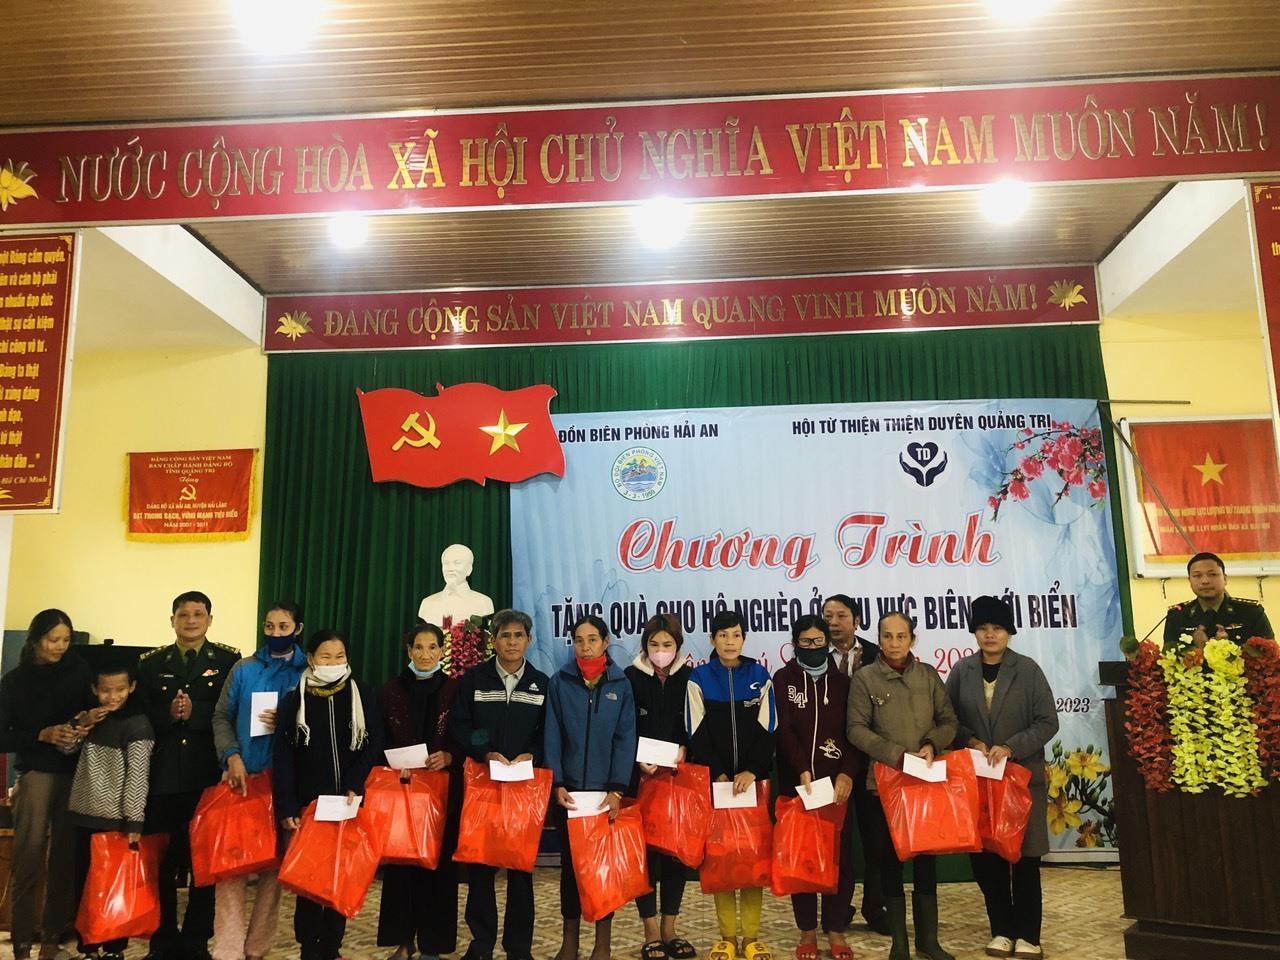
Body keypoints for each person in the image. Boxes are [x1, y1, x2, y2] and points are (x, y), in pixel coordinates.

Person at [945, 596, 1058, 960]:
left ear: (1009, 632)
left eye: (997, 628)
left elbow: (1048, 721)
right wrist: (971, 740)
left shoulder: (1027, 670)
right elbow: (947, 719)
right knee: (987, 860)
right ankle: (1002, 931)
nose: (989, 635)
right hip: (978, 782)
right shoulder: (962, 671)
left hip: (1021, 781)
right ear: (974, 632)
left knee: (1024, 859)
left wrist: (1011, 747)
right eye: (982, 628)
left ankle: (1029, 936)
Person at [846, 611, 959, 960]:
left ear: (912, 639)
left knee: (926, 862)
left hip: (925, 781)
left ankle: (928, 941)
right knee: (890, 861)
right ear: (878, 639)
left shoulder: (928, 675)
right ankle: (900, 944)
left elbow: (950, 721)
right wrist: (896, 755)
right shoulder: (865, 678)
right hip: (884, 784)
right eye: (887, 636)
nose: (894, 643)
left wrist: (932, 744)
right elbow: (855, 729)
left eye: (901, 636)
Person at [136, 590, 240, 960]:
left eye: (198, 614)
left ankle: (197, 940)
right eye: (183, 614)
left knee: (203, 862)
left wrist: (197, 713)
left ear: (210, 619)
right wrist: (168, 714)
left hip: (206, 773)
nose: (191, 621)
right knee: (161, 862)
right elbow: (139, 711)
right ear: (172, 621)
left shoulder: (228, 660)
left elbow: (233, 710)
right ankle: (162, 939)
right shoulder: (150, 663)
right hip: (162, 775)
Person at [273, 629, 383, 960]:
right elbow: (284, 757)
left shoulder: (362, 692)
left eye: (340, 657)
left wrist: (355, 781)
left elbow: (373, 742)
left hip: (348, 803)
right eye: (326, 657)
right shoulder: (294, 700)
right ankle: (309, 948)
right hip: (310, 805)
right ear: (310, 659)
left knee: (340, 876)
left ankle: (332, 947)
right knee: (309, 880)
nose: (333, 663)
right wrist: (287, 806)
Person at [209, 600, 309, 960]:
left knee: (273, 873)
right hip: (242, 779)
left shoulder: (309, 672)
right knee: (230, 871)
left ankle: (257, 949)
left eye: (284, 627)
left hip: (285, 785)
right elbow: (221, 716)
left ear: (298, 629)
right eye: (269, 626)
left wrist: (289, 722)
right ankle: (227, 951)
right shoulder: (244, 668)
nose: (275, 633)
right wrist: (231, 755)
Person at [0, 609, 101, 960]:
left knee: (63, 859)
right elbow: (3, 736)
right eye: (52, 640)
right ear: (35, 640)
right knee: (27, 857)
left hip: (73, 771)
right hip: (35, 773)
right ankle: (22, 941)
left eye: (66, 640)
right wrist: (41, 735)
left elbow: (90, 709)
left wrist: (87, 720)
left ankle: (52, 938)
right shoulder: (14, 681)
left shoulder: (78, 669)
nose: (60, 646)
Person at [449, 608, 549, 960]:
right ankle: (481, 946)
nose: (511, 642)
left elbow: (546, 733)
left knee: (520, 870)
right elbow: (461, 724)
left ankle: (519, 948)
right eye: (505, 635)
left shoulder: (541, 683)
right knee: (481, 867)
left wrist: (531, 754)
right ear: (493, 641)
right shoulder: (474, 680)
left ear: (529, 640)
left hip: (523, 786)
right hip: (483, 784)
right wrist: (485, 750)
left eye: (518, 635)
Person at [686, 610, 777, 960]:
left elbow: (769, 728)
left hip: (754, 786)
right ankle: (726, 937)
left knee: (753, 864)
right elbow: (695, 731)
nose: (729, 641)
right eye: (722, 635)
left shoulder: (759, 676)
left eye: (736, 635)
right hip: (717, 786)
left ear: (743, 639)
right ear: (712, 640)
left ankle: (751, 938)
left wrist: (753, 770)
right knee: (722, 864)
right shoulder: (699, 678)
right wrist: (719, 773)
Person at [546, 614, 638, 960]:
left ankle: (603, 944)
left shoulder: (620, 684)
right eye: (579, 640)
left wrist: (617, 790)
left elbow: (625, 739)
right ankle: (569, 942)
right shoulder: (560, 681)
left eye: (593, 640)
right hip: (569, 795)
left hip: (604, 795)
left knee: (603, 871)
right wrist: (557, 782)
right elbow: (552, 736)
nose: (585, 647)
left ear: (605, 642)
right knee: (570, 871)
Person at [773, 615, 860, 960]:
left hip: (837, 788)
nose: (812, 647)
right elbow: (784, 730)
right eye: (805, 642)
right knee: (802, 859)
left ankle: (835, 929)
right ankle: (807, 931)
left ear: (828, 642)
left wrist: (848, 773)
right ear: (795, 644)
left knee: (840, 859)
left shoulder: (845, 684)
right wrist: (801, 770)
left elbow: (855, 732)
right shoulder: (783, 679)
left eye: (818, 641)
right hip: (799, 786)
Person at [376, 621, 464, 960]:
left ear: (442, 651)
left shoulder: (455, 689)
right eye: (418, 647)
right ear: (409, 651)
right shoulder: (390, 690)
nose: (425, 654)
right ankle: (403, 942)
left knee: (438, 870)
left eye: (432, 647)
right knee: (401, 871)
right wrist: (391, 761)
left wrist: (451, 756)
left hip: (442, 796)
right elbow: (378, 737)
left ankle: (433, 947)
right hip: (401, 793)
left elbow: (469, 735)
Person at [67, 657, 155, 960]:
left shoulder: (139, 724)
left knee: (116, 888)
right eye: (105, 690)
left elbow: (138, 778)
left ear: (132, 687)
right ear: (94, 689)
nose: (113, 696)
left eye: (120, 689)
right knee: (85, 887)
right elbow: (66, 749)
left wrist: (134, 822)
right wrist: (81, 724)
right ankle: (88, 949)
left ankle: (115, 949)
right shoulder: (89, 718)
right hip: (83, 815)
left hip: (116, 821)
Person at [625, 613, 696, 960]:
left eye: (667, 644)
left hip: (678, 780)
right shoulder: (629, 677)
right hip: (640, 780)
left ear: (678, 646)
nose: (660, 650)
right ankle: (650, 929)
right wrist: (637, 758)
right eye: (654, 644)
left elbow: (699, 724)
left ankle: (670, 927)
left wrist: (686, 749)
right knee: (646, 856)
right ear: (645, 645)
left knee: (675, 855)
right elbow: (622, 727)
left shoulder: (690, 677)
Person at [822, 594, 887, 936]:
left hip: (873, 760)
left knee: (875, 839)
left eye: (841, 616)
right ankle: (838, 908)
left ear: (857, 620)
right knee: (834, 841)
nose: (833, 622)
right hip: (831, 761)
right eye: (827, 616)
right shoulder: (814, 655)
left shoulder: (878, 655)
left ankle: (875, 907)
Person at [1163, 551, 1274, 649]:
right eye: (1197, 576)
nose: (1205, 581)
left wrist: (1227, 648)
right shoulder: (1177, 616)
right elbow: (1169, 659)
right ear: (1190, 581)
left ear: (1225, 579)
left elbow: (1269, 656)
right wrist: (1199, 650)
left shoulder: (1251, 613)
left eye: (1212, 574)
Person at [418, 543, 495, 628]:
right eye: (446, 563)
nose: (450, 569)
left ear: (469, 569)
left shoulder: (483, 602)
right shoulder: (427, 603)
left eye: (457, 563)